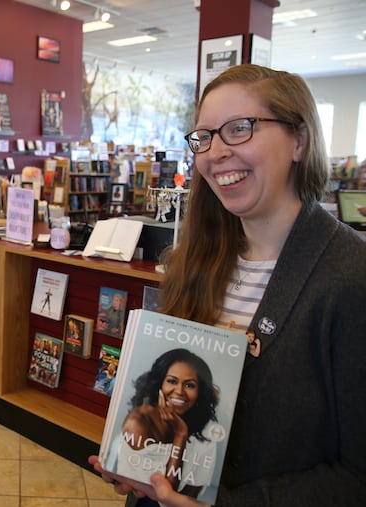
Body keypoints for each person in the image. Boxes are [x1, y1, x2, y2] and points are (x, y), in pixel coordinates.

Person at [90, 64, 366, 506]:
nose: (215, 152)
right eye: (204, 136)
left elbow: (357, 477)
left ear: (300, 139)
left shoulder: (351, 277)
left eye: (239, 129)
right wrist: (137, 469)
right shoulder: (191, 260)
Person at [111, 349, 219, 500]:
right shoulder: (139, 422)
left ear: (200, 391)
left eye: (189, 385)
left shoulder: (207, 433)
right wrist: (180, 434)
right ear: (159, 384)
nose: (180, 391)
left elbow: (188, 496)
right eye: (172, 381)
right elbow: (167, 491)